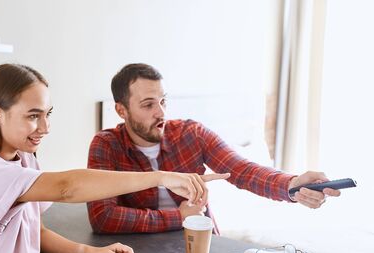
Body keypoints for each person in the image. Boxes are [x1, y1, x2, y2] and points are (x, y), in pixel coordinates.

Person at [0, 64, 226, 253]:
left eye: (47, 114)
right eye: (33, 116)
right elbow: (68, 187)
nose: (45, 127)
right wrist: (161, 178)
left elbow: (34, 232)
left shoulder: (25, 160)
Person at [87, 63, 341, 234]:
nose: (161, 112)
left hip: (199, 241)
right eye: (148, 105)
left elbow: (241, 170)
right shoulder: (106, 145)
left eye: (163, 101)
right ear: (121, 110)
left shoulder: (191, 133)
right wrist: (178, 216)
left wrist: (293, 184)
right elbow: (103, 217)